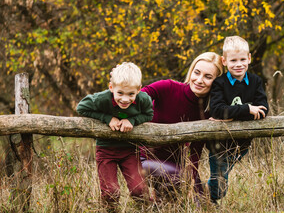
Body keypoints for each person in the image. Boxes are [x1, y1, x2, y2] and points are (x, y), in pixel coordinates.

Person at [139, 52, 223, 198]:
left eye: (208, 77)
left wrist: (192, 183)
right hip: (144, 161)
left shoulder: (209, 112)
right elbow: (136, 97)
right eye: (196, 73)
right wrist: (122, 117)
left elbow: (195, 153)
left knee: (202, 200)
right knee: (178, 179)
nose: (199, 80)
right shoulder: (168, 88)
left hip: (177, 170)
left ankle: (158, 203)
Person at [76, 62, 154, 208]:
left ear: (138, 89)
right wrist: (107, 119)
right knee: (111, 192)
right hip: (106, 150)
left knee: (139, 190)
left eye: (131, 94)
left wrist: (132, 120)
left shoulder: (143, 99)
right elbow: (81, 108)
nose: (125, 99)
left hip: (129, 150)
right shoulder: (102, 98)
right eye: (120, 93)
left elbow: (149, 115)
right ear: (111, 88)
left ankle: (147, 209)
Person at [207, 36, 269, 203]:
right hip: (219, 143)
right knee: (220, 185)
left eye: (242, 59)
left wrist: (231, 115)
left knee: (222, 176)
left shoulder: (255, 81)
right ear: (224, 61)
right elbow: (217, 110)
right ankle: (207, 201)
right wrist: (247, 109)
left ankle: (204, 199)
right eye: (233, 60)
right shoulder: (219, 83)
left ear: (249, 58)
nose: (239, 64)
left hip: (242, 144)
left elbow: (263, 110)